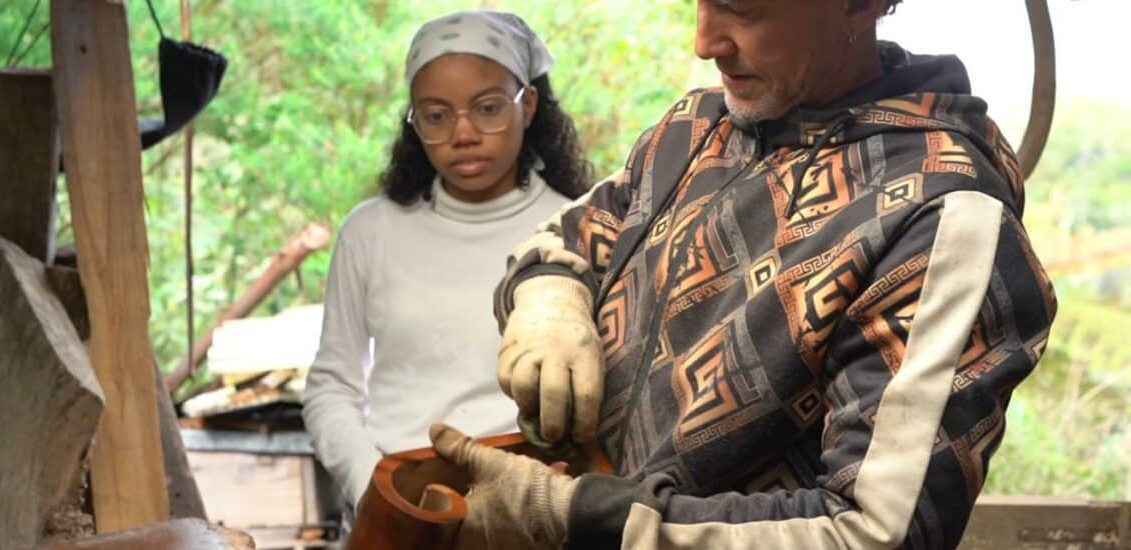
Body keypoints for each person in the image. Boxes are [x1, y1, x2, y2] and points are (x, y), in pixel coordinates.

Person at [430, 0, 1059, 548]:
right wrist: (550, 300)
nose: (705, 42)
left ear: (860, 3)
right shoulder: (697, 128)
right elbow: (573, 235)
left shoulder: (944, 217)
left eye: (743, 7)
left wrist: (579, 515)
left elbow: (876, 531)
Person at [301, 9, 593, 519]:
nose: (463, 134)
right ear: (414, 123)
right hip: (399, 503)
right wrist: (374, 490)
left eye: (487, 108)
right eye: (436, 115)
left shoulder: (577, 228)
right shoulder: (371, 231)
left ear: (528, 106)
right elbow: (331, 386)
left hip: (537, 503)